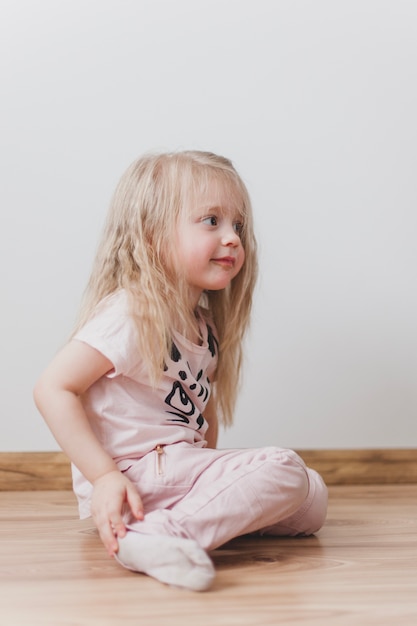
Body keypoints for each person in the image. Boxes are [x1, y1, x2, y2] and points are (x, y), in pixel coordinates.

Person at [34, 150, 328, 592]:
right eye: (211, 221)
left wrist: (211, 469)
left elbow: (202, 415)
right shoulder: (134, 312)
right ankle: (158, 534)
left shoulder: (202, 325)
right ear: (152, 235)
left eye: (238, 225)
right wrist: (104, 477)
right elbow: (52, 388)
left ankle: (174, 524)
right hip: (138, 474)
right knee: (285, 467)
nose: (232, 238)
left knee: (313, 496)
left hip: (176, 470)